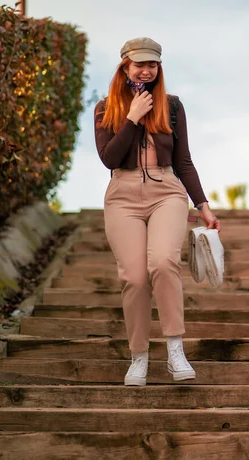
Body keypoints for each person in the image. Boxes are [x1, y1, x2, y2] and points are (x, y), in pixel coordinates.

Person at [94, 37, 220, 386]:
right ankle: (139, 356)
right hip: (122, 194)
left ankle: (175, 348)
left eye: (153, 64)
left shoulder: (173, 107)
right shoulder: (106, 108)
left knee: (163, 262)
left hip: (167, 191)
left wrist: (204, 207)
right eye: (140, 64)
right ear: (125, 66)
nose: (146, 70)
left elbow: (183, 161)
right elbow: (109, 158)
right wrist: (132, 117)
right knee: (133, 277)